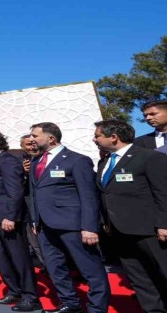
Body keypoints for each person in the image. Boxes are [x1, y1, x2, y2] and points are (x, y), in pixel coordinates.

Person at [94, 119, 167, 312]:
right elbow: (106, 194)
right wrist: (106, 222)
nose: (94, 139)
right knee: (140, 279)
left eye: (97, 136)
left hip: (151, 231)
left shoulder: (149, 157)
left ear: (113, 137)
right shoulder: (104, 161)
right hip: (120, 232)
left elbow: (166, 194)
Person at [29, 123, 109, 313]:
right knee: (55, 268)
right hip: (44, 226)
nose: (31, 139)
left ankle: (97, 307)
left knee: (90, 269)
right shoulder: (36, 162)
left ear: (51, 138)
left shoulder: (77, 160)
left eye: (35, 135)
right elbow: (34, 193)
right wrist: (35, 219)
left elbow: (88, 196)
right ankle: (70, 303)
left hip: (73, 225)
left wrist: (89, 227)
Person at [0, 129, 41, 312]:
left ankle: (30, 296)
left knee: (19, 257)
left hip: (7, 219)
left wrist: (10, 216)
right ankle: (14, 291)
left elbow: (15, 191)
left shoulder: (8, 161)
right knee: (1, 257)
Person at [20, 134, 45, 270]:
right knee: (36, 242)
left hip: (52, 208)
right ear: (22, 147)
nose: (32, 146)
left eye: (33, 143)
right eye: (28, 144)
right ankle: (46, 267)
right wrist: (23, 173)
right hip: (30, 208)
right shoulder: (20, 163)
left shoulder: (48, 159)